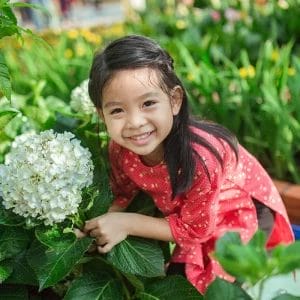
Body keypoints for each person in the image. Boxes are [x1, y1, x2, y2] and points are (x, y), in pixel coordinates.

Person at [75, 35, 294, 294]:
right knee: (180, 281)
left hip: (241, 211)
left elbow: (194, 230)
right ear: (102, 115)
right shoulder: (120, 149)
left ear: (175, 100)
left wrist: (125, 223)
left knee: (221, 288)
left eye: (148, 103)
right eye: (117, 111)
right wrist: (90, 228)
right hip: (193, 214)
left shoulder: (201, 158)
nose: (134, 122)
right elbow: (122, 194)